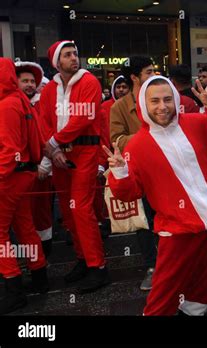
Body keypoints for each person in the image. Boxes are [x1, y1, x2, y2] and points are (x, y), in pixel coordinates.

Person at [105, 76, 207, 315]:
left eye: (167, 99)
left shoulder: (198, 123)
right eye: (154, 101)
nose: (162, 106)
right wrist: (120, 172)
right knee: (165, 291)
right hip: (176, 231)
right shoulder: (136, 145)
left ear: (176, 100)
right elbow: (130, 194)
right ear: (144, 104)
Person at [41, 40, 109, 293]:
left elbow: (86, 116)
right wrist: (54, 150)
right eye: (67, 55)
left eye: (75, 53)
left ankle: (98, 267)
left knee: (81, 209)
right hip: (60, 155)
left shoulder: (89, 81)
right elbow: (43, 121)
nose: (73, 58)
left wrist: (54, 142)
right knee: (69, 214)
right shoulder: (49, 90)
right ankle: (83, 259)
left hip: (85, 151)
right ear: (57, 62)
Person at [0, 58, 49, 314]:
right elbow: (39, 139)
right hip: (24, 175)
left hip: (10, 177)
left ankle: (13, 287)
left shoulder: (7, 104)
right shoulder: (20, 101)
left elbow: (9, 150)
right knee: (24, 227)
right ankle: (39, 276)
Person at [109, 56, 158, 291]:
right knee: (144, 222)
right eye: (149, 72)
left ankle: (176, 266)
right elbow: (116, 140)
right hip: (139, 173)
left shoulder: (159, 98)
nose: (154, 75)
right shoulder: (119, 106)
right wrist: (145, 140)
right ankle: (152, 267)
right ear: (134, 77)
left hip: (166, 170)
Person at [15, 61, 54, 258]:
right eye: (25, 81)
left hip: (39, 168)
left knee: (41, 211)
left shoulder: (41, 104)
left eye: (32, 81)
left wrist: (44, 165)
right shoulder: (10, 104)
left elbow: (47, 136)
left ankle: (42, 255)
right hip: (15, 172)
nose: (30, 84)